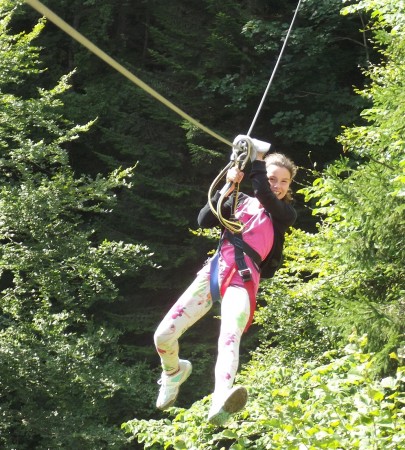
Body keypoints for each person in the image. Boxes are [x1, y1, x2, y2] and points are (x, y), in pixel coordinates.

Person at [153, 144, 297, 425]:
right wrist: (229, 186)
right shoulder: (239, 202)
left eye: (284, 181)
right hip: (215, 273)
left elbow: (266, 197)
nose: (277, 186)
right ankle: (173, 372)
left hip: (243, 282)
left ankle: (221, 398)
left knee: (229, 337)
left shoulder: (283, 214)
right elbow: (204, 219)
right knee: (163, 336)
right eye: (272, 179)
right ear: (260, 178)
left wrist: (255, 160)